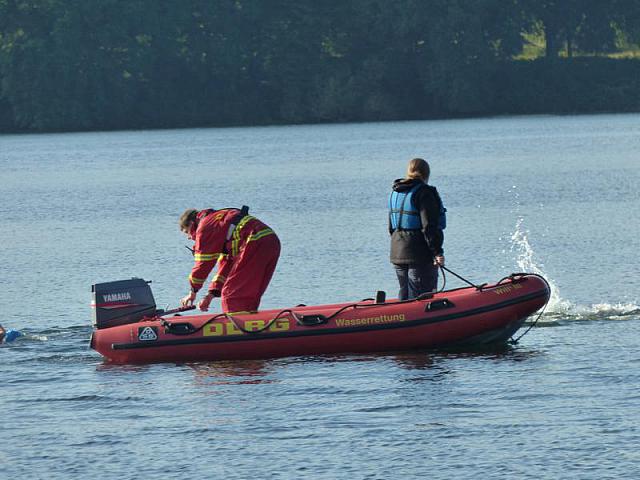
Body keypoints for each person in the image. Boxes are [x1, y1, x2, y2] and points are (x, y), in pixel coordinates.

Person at [179, 206, 281, 313]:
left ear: (191, 224)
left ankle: (238, 326)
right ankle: (252, 323)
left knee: (231, 296)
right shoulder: (218, 222)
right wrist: (210, 295)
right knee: (248, 294)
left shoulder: (205, 227)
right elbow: (226, 265)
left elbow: (203, 264)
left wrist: (193, 291)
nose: (189, 238)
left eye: (187, 232)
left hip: (254, 241)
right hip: (270, 240)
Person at [388, 158, 446, 300]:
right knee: (421, 297)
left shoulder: (395, 192)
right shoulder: (424, 192)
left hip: (397, 250)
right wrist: (437, 252)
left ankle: (400, 319)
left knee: (405, 293)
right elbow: (429, 226)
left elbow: (391, 227)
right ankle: (421, 321)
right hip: (419, 254)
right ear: (427, 174)